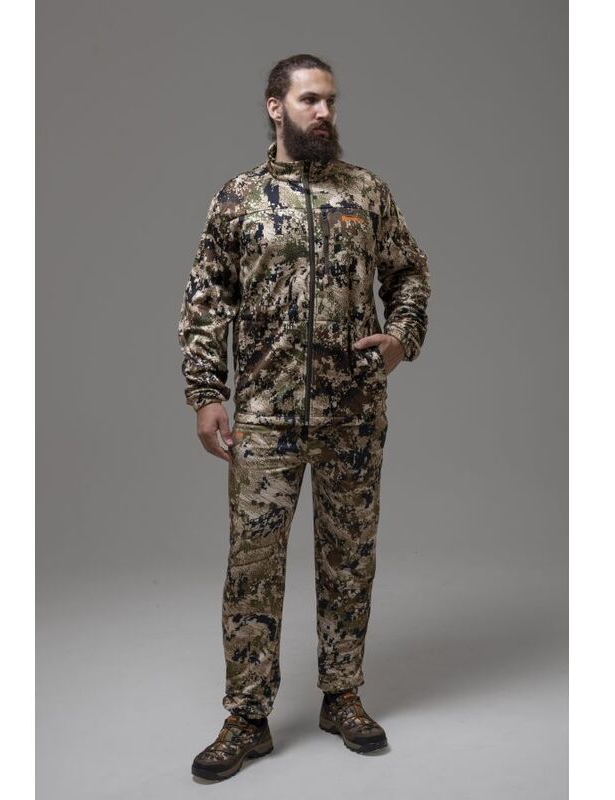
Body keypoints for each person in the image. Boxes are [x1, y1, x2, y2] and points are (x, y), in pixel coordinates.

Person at [178, 53, 431, 781]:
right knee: (252, 567)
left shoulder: (366, 192)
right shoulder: (240, 198)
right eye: (310, 100)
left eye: (331, 101)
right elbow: (207, 299)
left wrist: (401, 338)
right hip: (265, 416)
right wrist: (206, 391)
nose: (324, 113)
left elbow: (409, 273)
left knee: (349, 559)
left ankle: (342, 695)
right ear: (274, 107)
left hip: (353, 415)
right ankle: (247, 715)